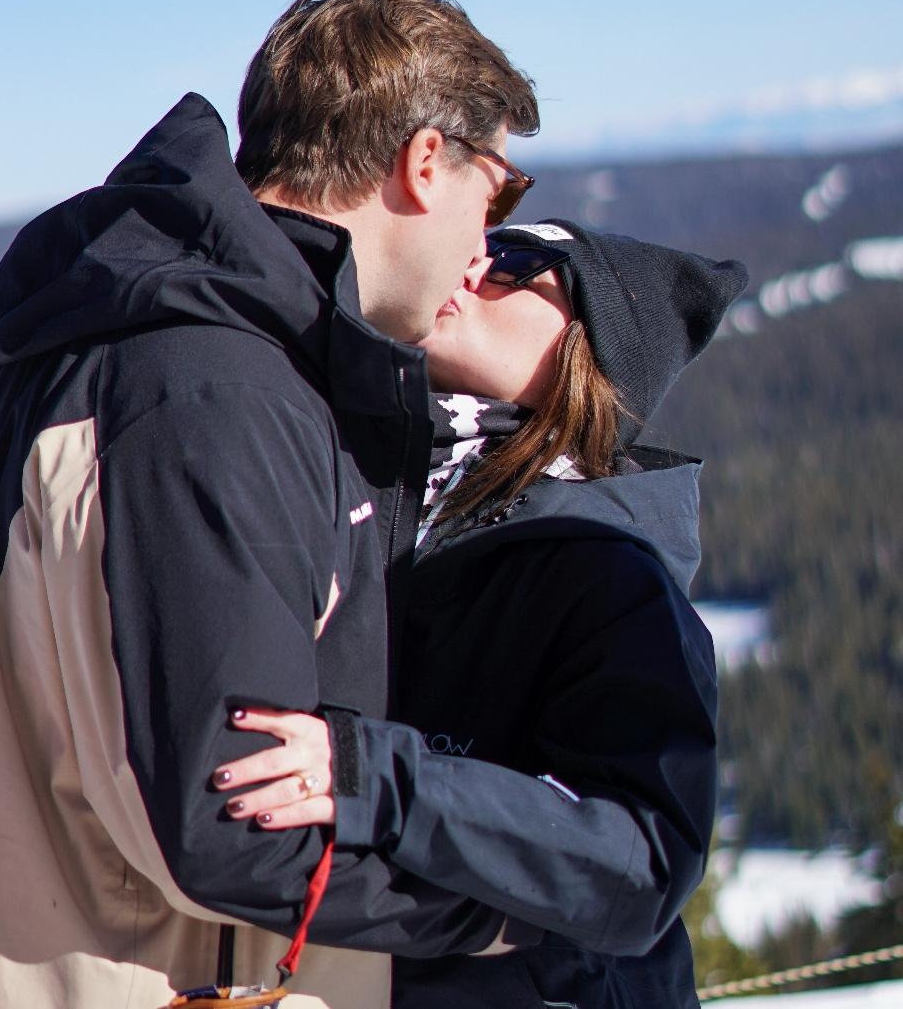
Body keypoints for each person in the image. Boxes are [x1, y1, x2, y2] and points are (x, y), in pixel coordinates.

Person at [0, 0, 544, 1009]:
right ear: (426, 162)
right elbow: (231, 821)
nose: (483, 248)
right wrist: (517, 904)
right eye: (499, 190)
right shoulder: (214, 392)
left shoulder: (163, 334)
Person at [215, 220, 748, 1007]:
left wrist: (379, 780)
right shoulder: (359, 503)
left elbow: (643, 863)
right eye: (479, 244)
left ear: (592, 353)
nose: (473, 263)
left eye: (519, 264)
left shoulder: (610, 575)